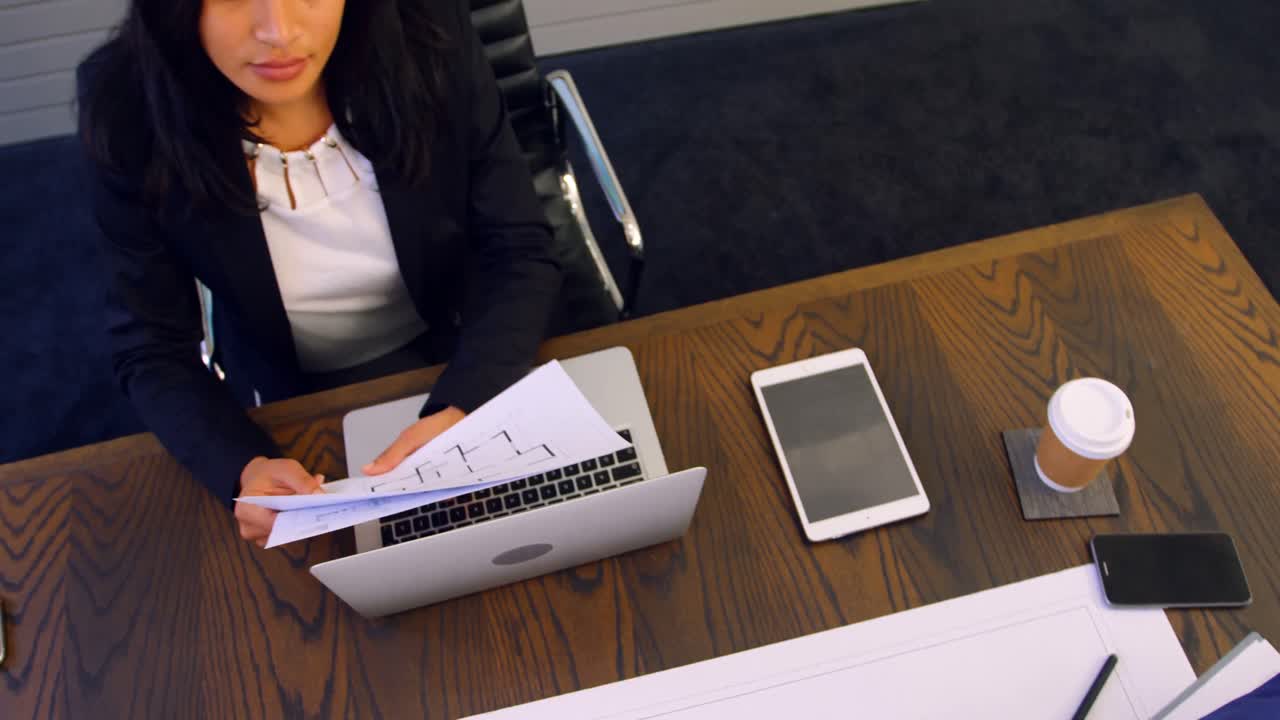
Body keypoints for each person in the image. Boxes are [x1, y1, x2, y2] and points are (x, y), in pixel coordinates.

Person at [77, 0, 565, 548]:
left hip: (465, 338)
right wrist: (242, 468)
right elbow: (151, 344)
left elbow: (517, 246)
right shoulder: (127, 106)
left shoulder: (427, 34)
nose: (278, 32)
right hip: (292, 388)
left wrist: (464, 406)